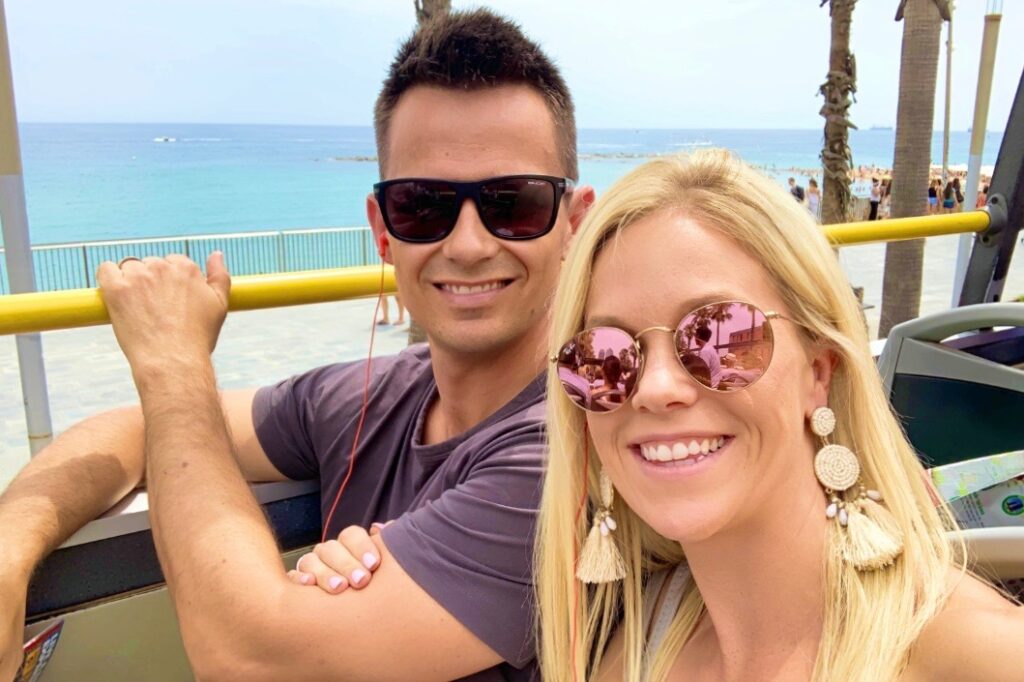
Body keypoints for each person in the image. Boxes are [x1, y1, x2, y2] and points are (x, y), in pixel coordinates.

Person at [0, 10, 594, 681]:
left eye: (512, 203)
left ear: (573, 226)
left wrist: (172, 362)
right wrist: (10, 549)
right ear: (382, 229)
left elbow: (247, 655)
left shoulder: (569, 449)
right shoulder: (369, 396)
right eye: (422, 206)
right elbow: (133, 432)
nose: (467, 244)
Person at [539, 150, 1023, 681]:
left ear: (818, 372)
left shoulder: (981, 654)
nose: (654, 389)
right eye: (604, 356)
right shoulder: (637, 639)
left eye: (719, 335)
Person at [693, 325, 722, 389]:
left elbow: (702, 373)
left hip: (710, 387)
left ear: (698, 336)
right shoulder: (710, 348)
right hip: (715, 383)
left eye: (695, 335)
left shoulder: (704, 351)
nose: (694, 338)